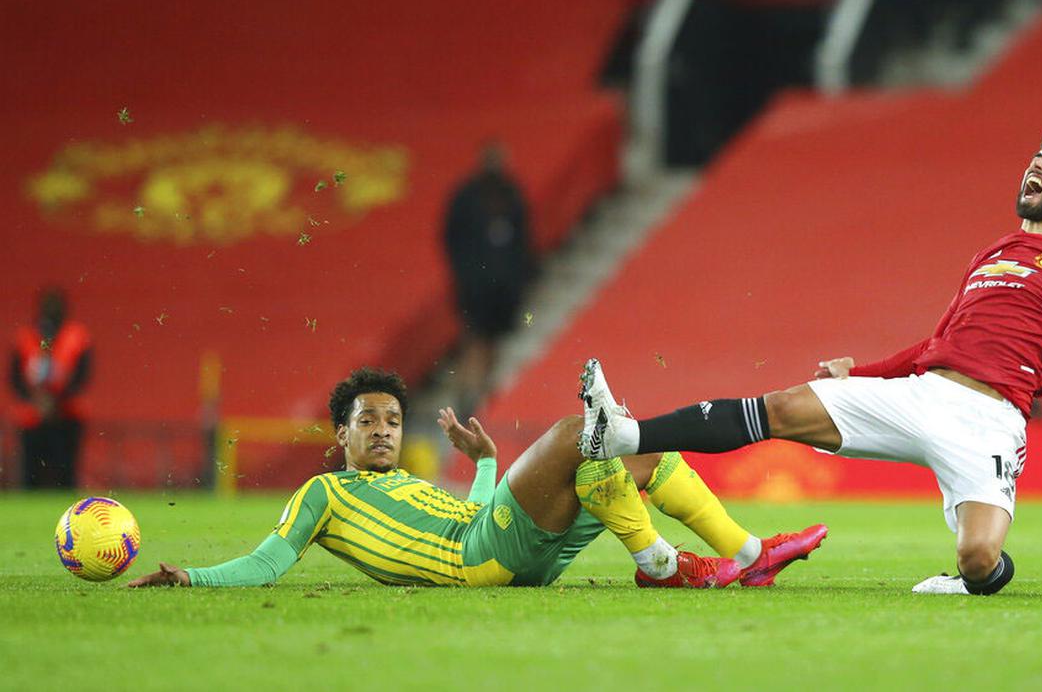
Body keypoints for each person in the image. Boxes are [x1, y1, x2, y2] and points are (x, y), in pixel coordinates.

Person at [577, 127, 1042, 596]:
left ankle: (971, 583)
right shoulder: (992, 253)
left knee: (980, 558)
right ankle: (623, 433)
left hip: (991, 421)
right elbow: (934, 348)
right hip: (922, 395)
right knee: (778, 407)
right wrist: (857, 373)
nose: (1038, 165)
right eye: (1037, 157)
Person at [129, 367, 826, 589]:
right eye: (367, 422)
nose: (382, 432)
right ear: (339, 434)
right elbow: (268, 560)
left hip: (507, 551)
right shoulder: (325, 494)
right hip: (479, 561)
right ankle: (661, 564)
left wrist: (485, 461)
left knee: (638, 456)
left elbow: (481, 512)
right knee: (571, 435)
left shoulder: (411, 486)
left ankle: (745, 555)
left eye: (392, 422)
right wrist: (193, 578)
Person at [442, 142, 534, 417]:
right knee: (474, 338)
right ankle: (465, 393)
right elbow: (451, 237)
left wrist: (517, 278)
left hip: (503, 286)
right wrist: (465, 272)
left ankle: (483, 392)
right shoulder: (467, 197)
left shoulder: (511, 195)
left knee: (494, 340)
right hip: (475, 284)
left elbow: (523, 240)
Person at [9, 287, 92, 488]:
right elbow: (14, 379)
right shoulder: (25, 338)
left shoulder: (77, 337)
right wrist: (35, 401)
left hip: (67, 416)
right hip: (32, 417)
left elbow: (82, 377)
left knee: (66, 473)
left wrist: (56, 401)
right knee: (31, 474)